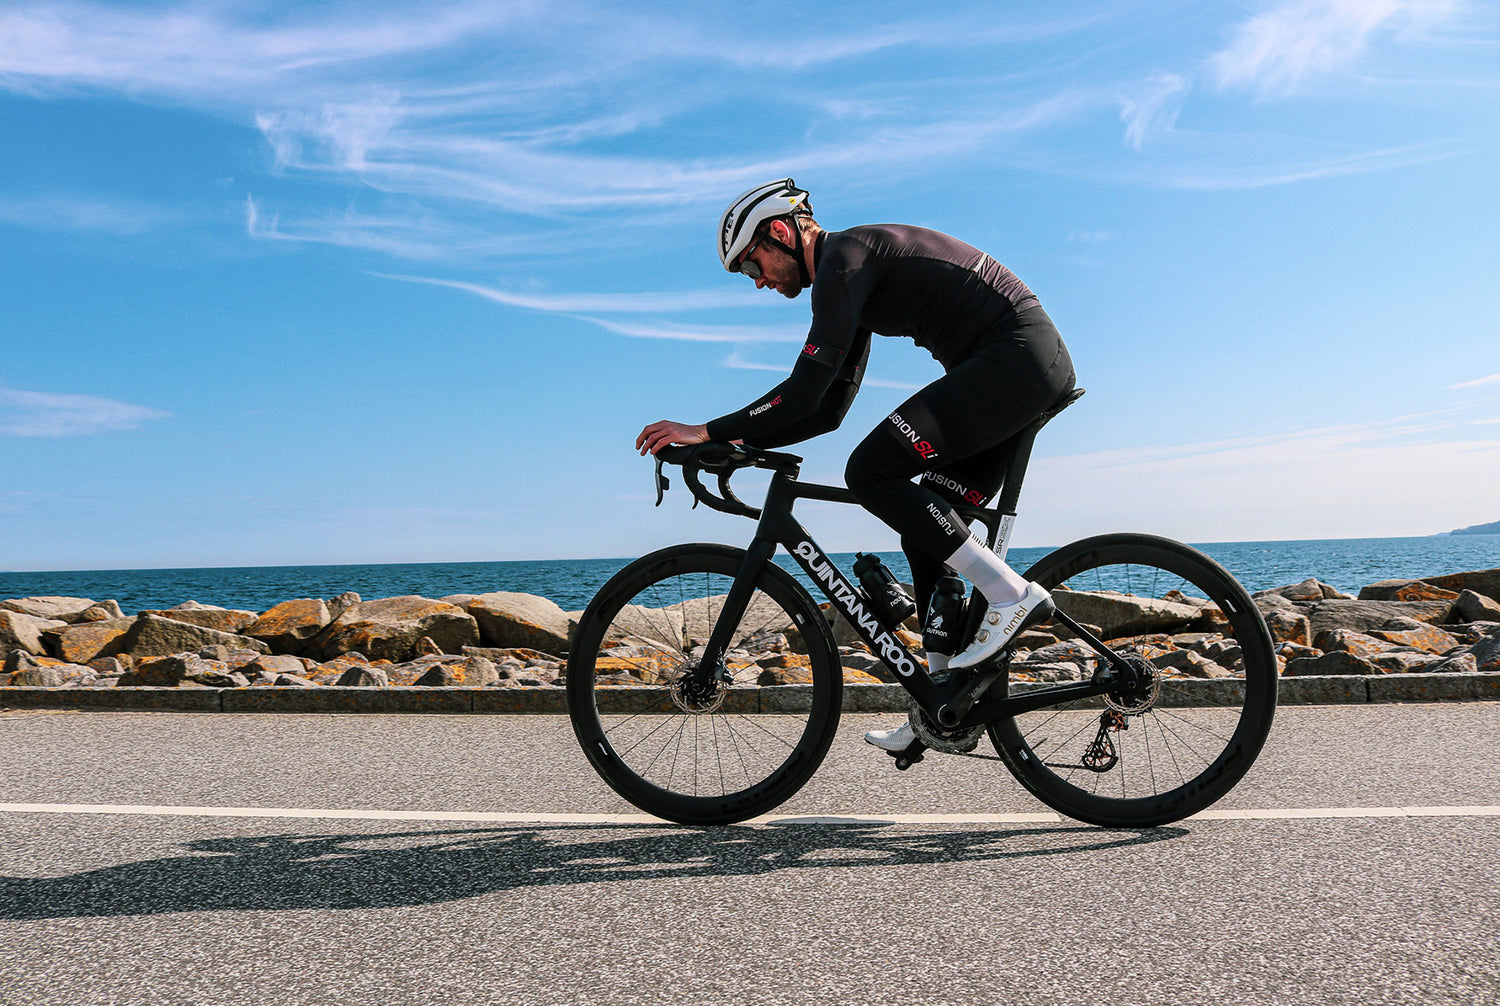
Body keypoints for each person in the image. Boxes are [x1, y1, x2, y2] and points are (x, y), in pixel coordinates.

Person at [636, 179, 1076, 753]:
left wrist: (710, 430)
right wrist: (735, 446)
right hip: (1017, 366)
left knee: (870, 472)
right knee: (928, 523)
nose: (760, 282)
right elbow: (826, 410)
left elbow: (802, 391)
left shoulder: (845, 259)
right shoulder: (853, 275)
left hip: (1014, 359)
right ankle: (939, 699)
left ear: (779, 232)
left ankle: (1010, 595)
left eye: (754, 267)